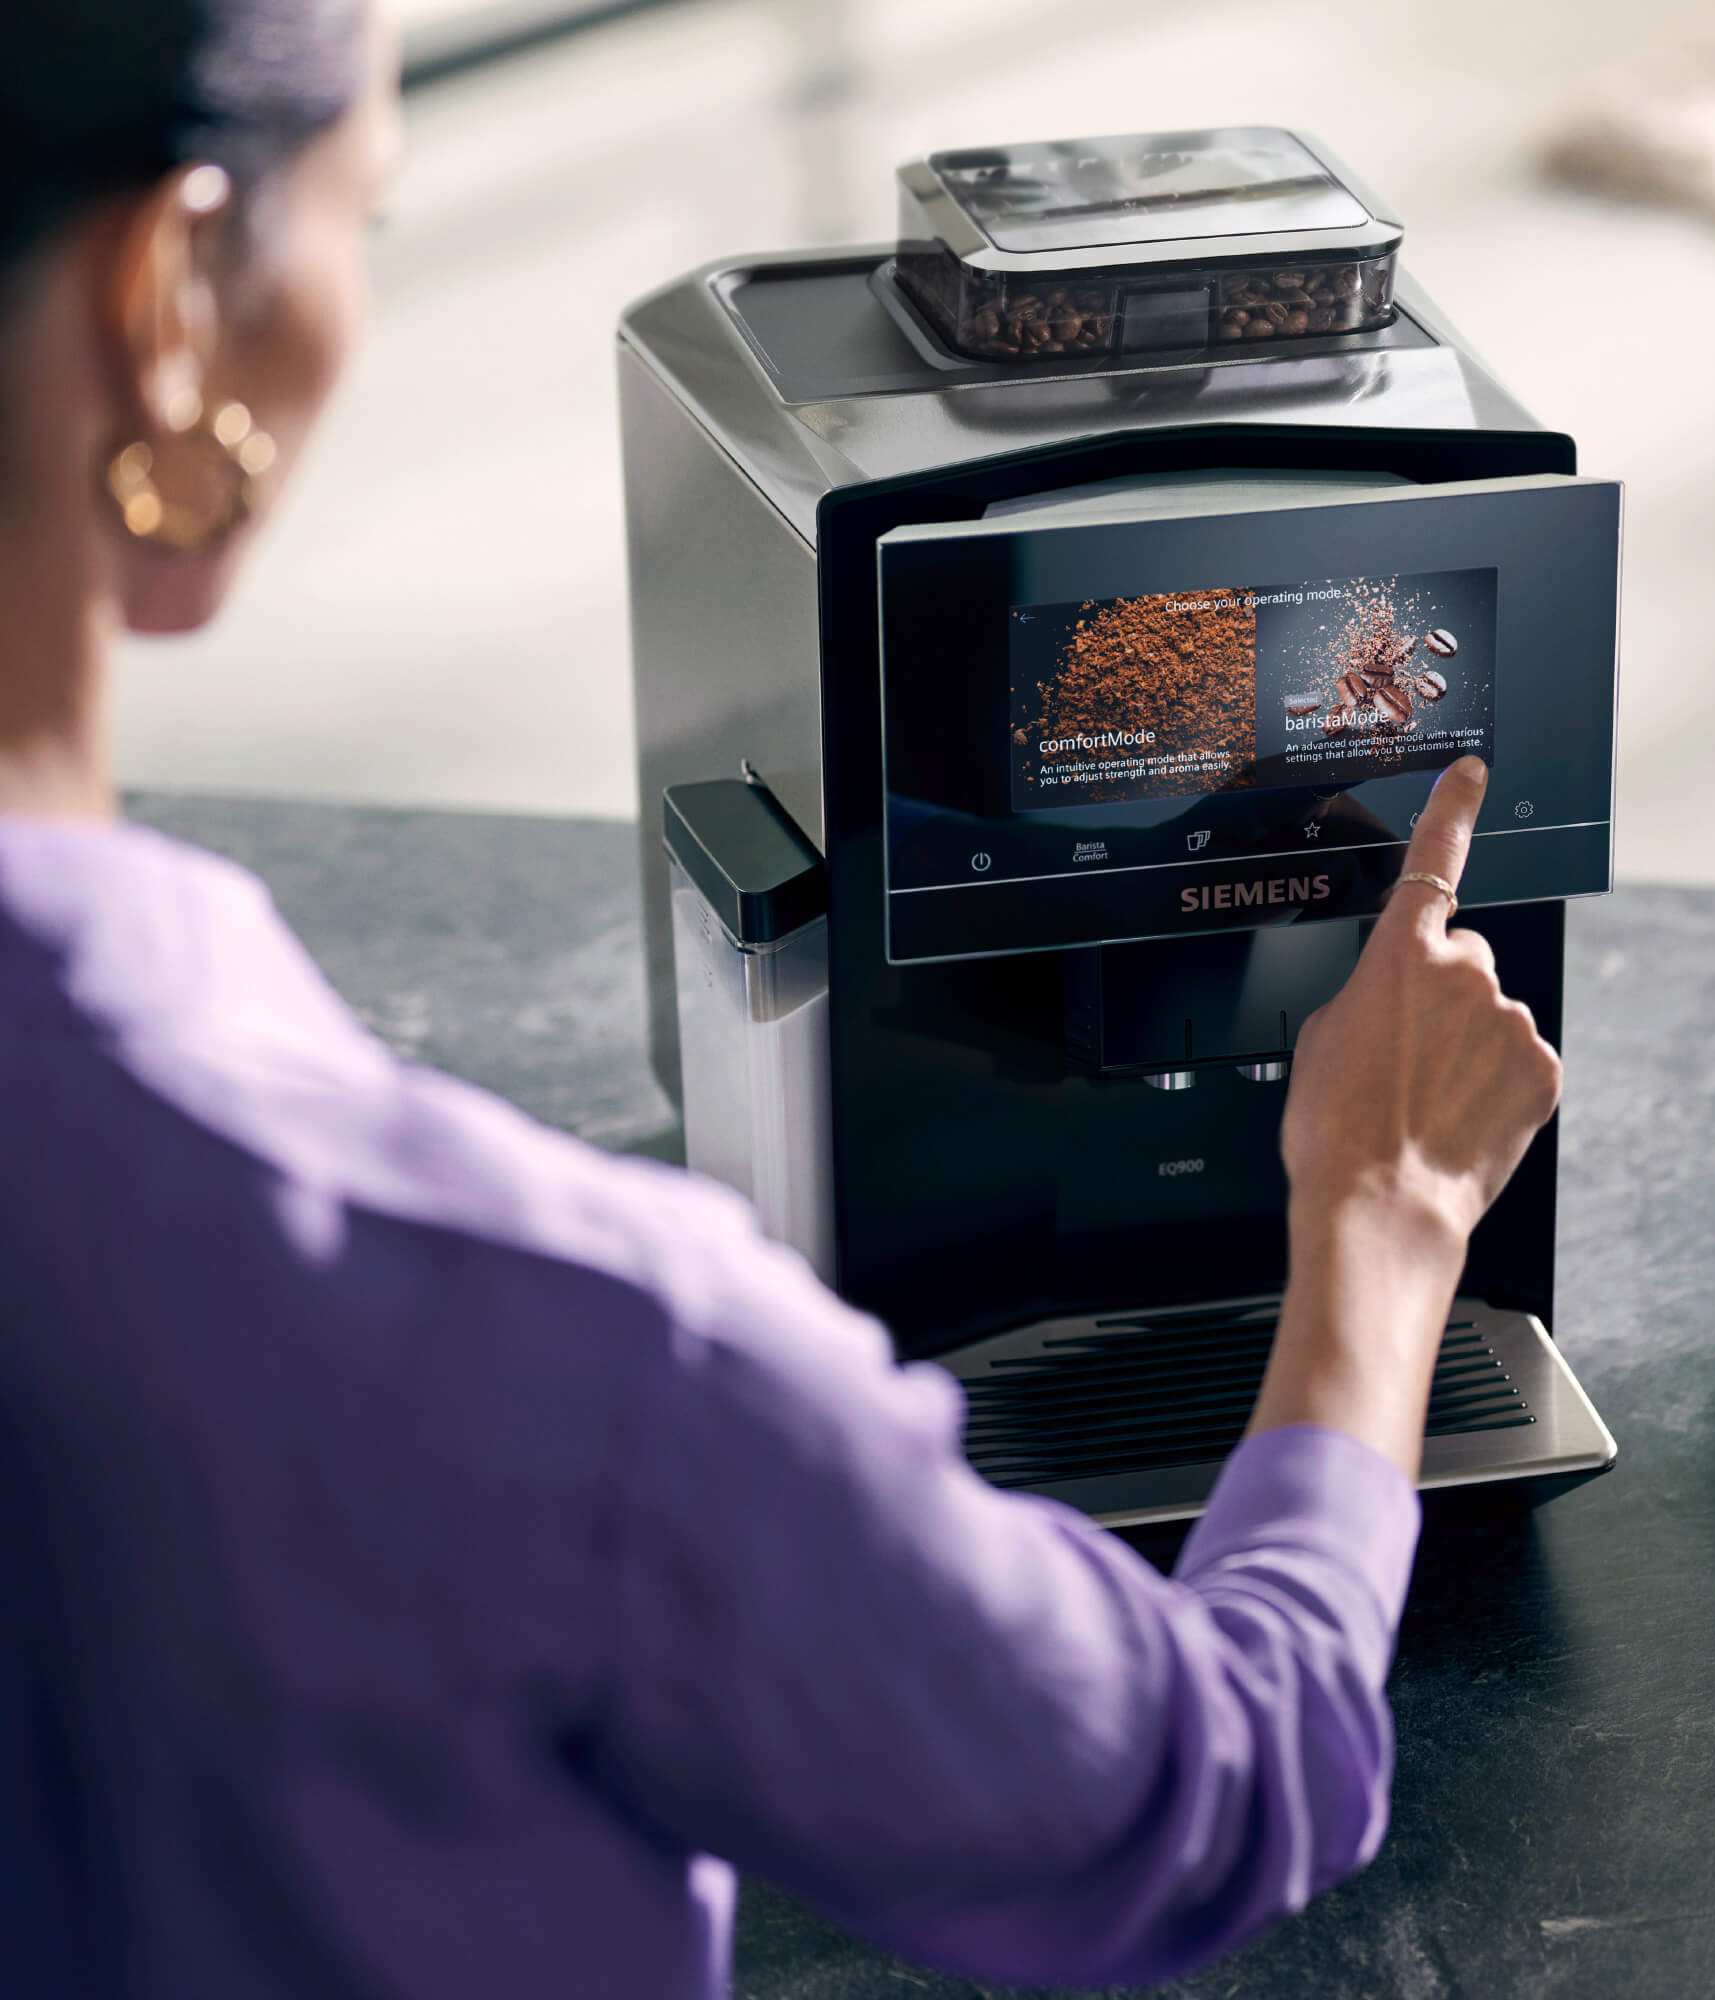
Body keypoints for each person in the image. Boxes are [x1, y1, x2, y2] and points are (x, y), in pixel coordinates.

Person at [0, 3, 1564, 1995]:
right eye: (362, 221)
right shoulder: (550, 1343)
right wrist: (1380, 1213)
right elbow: (1201, 1789)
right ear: (164, 303)